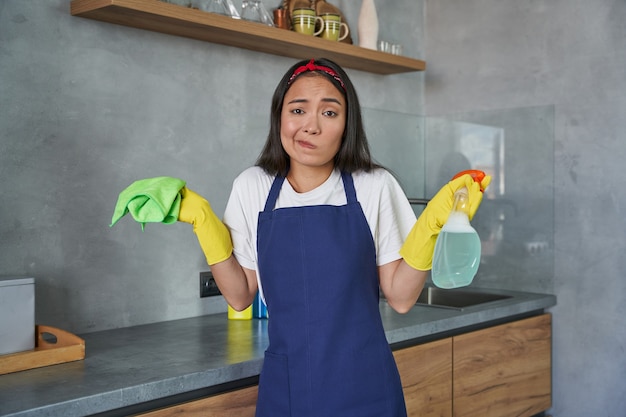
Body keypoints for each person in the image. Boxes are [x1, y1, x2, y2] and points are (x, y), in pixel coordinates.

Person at [178, 58, 490, 417]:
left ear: (347, 126)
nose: (310, 126)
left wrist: (432, 224)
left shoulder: (373, 185)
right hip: (288, 386)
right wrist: (202, 220)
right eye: (298, 109)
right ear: (280, 116)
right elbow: (239, 296)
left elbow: (401, 298)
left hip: (366, 386)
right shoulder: (253, 186)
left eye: (329, 113)